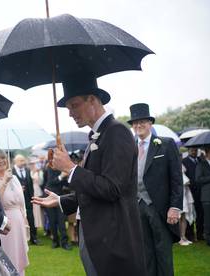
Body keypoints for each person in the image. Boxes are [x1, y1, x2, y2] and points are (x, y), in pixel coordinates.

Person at [32, 75, 146, 276]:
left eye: (74, 105)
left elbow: (112, 188)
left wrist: (71, 168)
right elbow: (93, 187)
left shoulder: (116, 132)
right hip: (95, 236)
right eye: (68, 108)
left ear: (92, 100)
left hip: (113, 239)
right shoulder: (96, 135)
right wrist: (61, 201)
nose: (70, 113)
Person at [128, 103, 183, 276]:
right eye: (135, 122)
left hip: (160, 208)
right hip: (137, 206)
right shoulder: (129, 147)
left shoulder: (165, 145)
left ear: (150, 123)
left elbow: (176, 178)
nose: (138, 125)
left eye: (142, 121)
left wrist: (174, 207)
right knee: (145, 254)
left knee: (163, 254)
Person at [0, 149, 29, 276]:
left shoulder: (14, 177)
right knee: (9, 256)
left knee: (19, 255)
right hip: (5, 223)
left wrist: (25, 218)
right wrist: (4, 181)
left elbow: (22, 202)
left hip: (19, 222)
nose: (1, 161)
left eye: (3, 158)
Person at [12, 154, 40, 245]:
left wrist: (32, 197)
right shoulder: (11, 172)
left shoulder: (27, 171)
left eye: (24, 160)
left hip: (28, 199)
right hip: (16, 201)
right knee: (19, 220)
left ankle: (34, 238)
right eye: (21, 161)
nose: (23, 162)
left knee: (31, 218)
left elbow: (30, 185)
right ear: (15, 162)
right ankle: (20, 240)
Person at [43, 165, 71, 250]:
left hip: (60, 197)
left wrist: (68, 177)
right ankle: (55, 241)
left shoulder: (62, 167)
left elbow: (66, 184)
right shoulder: (49, 168)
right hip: (49, 197)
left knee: (61, 221)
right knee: (52, 220)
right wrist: (61, 176)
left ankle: (64, 242)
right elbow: (51, 182)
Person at [182, 147, 204, 241]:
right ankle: (189, 234)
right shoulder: (184, 161)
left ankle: (200, 234)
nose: (194, 152)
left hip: (200, 191)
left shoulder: (200, 160)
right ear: (188, 151)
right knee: (189, 213)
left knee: (200, 213)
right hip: (190, 191)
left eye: (195, 150)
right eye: (192, 150)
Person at [178, 165, 196, 246]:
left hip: (184, 196)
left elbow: (187, 182)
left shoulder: (182, 173)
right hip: (178, 196)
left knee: (184, 217)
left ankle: (183, 236)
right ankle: (179, 237)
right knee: (179, 217)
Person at [29, 158, 44, 230]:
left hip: (37, 191)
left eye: (34, 164)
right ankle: (35, 224)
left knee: (39, 209)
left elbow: (41, 182)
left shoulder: (39, 172)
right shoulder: (29, 172)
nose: (33, 165)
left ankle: (40, 224)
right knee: (34, 209)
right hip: (32, 191)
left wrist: (38, 173)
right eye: (31, 164)